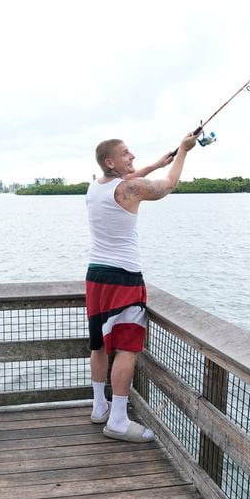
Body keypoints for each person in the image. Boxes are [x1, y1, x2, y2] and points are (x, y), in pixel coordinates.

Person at [86, 131, 199, 442]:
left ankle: (100, 407)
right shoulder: (128, 189)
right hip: (124, 279)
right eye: (125, 154)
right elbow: (169, 186)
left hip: (96, 276)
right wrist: (185, 152)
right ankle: (119, 420)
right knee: (127, 348)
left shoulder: (96, 186)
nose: (131, 156)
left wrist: (156, 163)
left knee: (99, 344)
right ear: (110, 161)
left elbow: (129, 179)